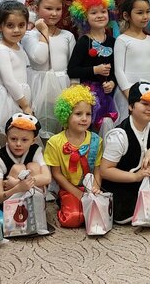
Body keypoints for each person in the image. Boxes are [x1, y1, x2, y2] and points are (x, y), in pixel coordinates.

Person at [100, 83, 150, 224]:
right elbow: (105, 171)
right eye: (144, 104)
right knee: (125, 214)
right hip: (123, 182)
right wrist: (135, 176)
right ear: (131, 106)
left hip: (146, 178)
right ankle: (144, 204)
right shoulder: (119, 135)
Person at [43, 85, 104, 227]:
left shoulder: (96, 140)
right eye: (78, 114)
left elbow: (97, 169)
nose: (84, 119)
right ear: (66, 114)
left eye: (88, 114)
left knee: (98, 216)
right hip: (67, 188)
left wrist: (95, 188)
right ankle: (63, 202)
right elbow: (56, 174)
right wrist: (77, 193)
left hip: (90, 186)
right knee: (73, 218)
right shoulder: (55, 142)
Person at [23, 0, 76, 140]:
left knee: (61, 127)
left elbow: (72, 66)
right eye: (48, 8)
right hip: (38, 85)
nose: (54, 13)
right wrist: (44, 31)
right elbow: (40, 58)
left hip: (62, 85)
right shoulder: (29, 35)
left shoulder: (67, 36)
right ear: (36, 9)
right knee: (38, 127)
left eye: (58, 9)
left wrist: (73, 88)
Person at [67, 0, 118, 134]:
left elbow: (116, 69)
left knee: (106, 127)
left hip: (107, 94)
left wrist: (112, 82)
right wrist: (95, 70)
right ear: (84, 17)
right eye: (93, 13)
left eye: (103, 11)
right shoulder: (84, 42)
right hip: (88, 95)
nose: (100, 15)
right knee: (88, 127)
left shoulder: (113, 41)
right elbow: (72, 70)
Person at [0, 1, 32, 146]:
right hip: (8, 98)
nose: (16, 30)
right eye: (10, 25)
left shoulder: (18, 46)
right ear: (0, 26)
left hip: (19, 95)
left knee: (19, 140)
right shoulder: (1, 50)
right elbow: (9, 81)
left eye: (21, 25)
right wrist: (25, 105)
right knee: (9, 139)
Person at [113, 0, 150, 121]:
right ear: (126, 15)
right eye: (140, 13)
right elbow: (119, 70)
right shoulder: (122, 40)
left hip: (149, 93)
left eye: (147, 12)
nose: (145, 16)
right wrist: (130, 94)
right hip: (127, 94)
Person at [0, 113, 52, 205]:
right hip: (9, 203)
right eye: (13, 139)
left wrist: (17, 183)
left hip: (33, 200)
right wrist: (19, 188)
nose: (18, 144)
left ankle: (37, 206)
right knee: (18, 168)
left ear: (33, 141)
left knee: (34, 166)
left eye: (24, 140)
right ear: (6, 138)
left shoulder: (35, 151)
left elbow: (47, 178)